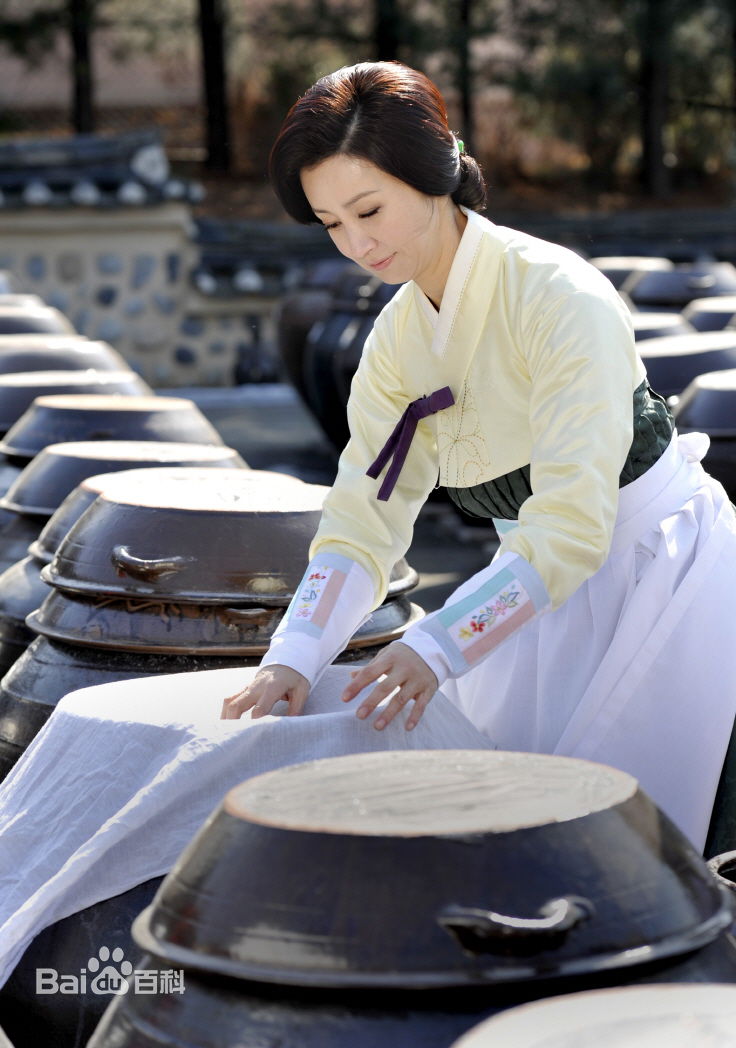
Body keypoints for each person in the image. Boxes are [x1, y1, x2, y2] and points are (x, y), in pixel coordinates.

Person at [222, 60, 736, 850]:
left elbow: (570, 523)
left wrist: (437, 644)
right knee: (509, 829)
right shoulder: (396, 342)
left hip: (655, 570)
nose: (357, 244)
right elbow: (365, 518)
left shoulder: (561, 296)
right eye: (331, 224)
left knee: (622, 845)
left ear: (432, 177)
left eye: (370, 210)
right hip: (530, 587)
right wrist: (291, 655)